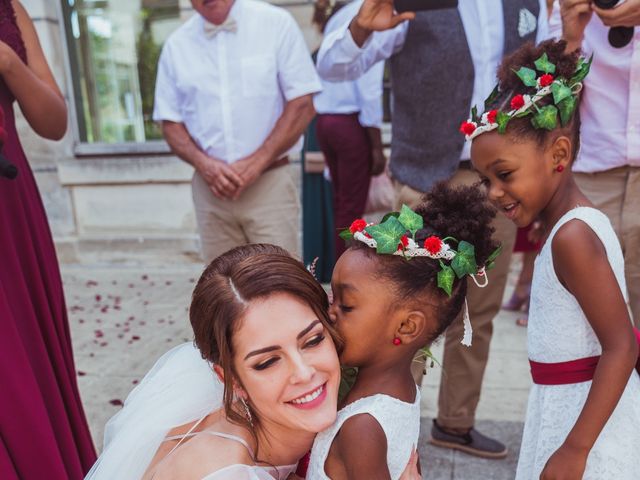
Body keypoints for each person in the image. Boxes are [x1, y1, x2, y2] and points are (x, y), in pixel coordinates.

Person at [315, 0, 550, 458]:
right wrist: (361, 29)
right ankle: (390, 426)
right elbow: (335, 67)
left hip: (496, 182)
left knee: (478, 313)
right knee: (404, 310)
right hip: (426, 178)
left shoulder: (528, 4)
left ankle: (455, 423)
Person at [467, 38, 640, 479]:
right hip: (565, 409)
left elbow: (622, 345)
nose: (493, 192)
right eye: (484, 179)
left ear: (559, 155)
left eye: (504, 174)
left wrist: (575, 450)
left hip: (587, 427)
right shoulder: (565, 227)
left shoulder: (573, 238)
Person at [87, 244, 343, 480]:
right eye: (267, 362)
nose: (304, 372)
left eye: (312, 341)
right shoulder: (223, 471)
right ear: (230, 379)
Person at [307, 183, 500, 479]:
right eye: (333, 297)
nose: (329, 312)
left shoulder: (362, 426)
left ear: (407, 327)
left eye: (346, 306)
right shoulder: (402, 392)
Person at [0, 1, 97, 478]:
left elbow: (55, 123)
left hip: (8, 211)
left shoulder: (9, 8)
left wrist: (7, 62)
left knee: (21, 356)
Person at [153, 0, 320, 262]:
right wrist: (206, 166)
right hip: (211, 193)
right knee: (221, 291)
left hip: (270, 184)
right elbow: (169, 123)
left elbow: (302, 104)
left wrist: (256, 163)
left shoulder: (276, 23)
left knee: (279, 283)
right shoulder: (176, 46)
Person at [549, 0, 640, 327]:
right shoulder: (572, 7)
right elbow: (553, 109)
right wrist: (571, 40)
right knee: (586, 325)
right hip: (592, 179)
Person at [313, 0, 387, 261]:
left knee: (342, 203)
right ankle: (344, 271)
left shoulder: (339, 16)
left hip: (325, 120)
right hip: (349, 123)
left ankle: (338, 267)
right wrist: (376, 144)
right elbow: (369, 87)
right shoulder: (371, 14)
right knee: (351, 208)